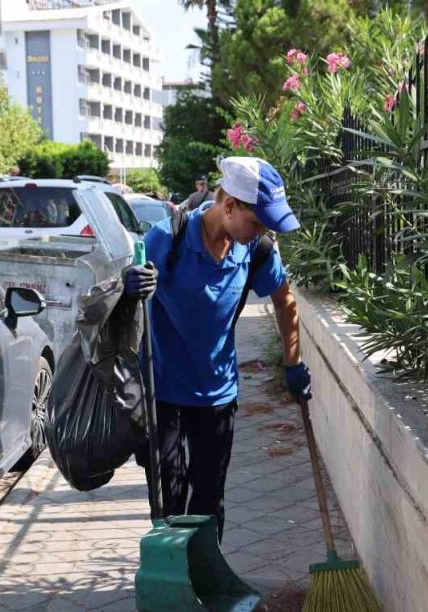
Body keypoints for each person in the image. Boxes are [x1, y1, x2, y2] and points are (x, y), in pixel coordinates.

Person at [122, 156, 312, 589]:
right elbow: (123, 294)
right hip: (163, 390)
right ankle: (172, 584)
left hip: (217, 391)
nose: (263, 231)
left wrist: (293, 362)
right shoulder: (166, 239)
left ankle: (204, 578)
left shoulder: (257, 251)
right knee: (170, 495)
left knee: (208, 497)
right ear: (228, 205)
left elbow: (285, 302)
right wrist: (130, 284)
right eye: (258, 220)